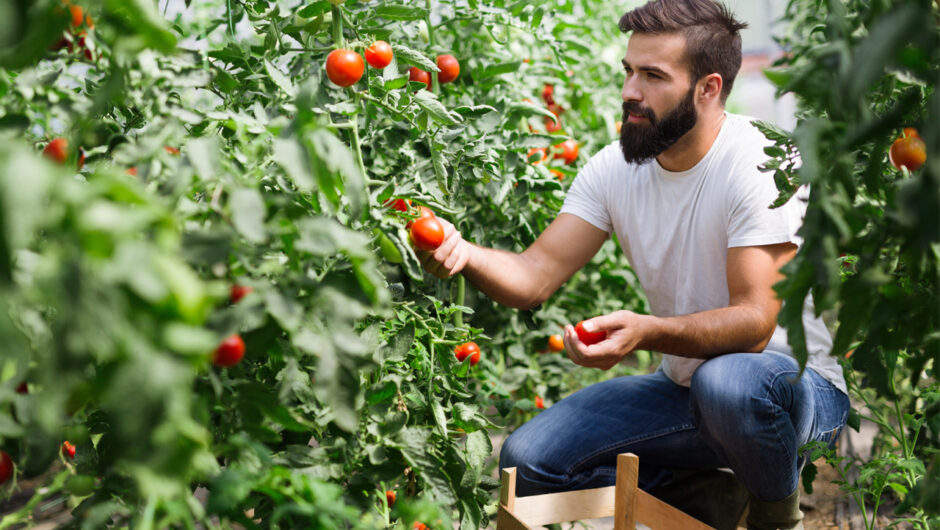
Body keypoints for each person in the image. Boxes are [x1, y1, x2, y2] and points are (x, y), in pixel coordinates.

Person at [416, 0, 848, 528]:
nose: (629, 92)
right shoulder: (614, 169)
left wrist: (646, 332)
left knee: (729, 384)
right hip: (688, 392)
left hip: (793, 391)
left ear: (708, 88)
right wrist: (463, 254)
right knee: (529, 462)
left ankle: (775, 514)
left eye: (652, 76)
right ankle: (704, 495)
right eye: (628, 71)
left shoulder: (759, 160)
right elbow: (534, 276)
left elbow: (756, 324)